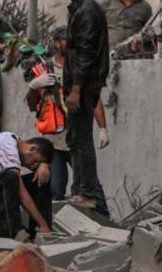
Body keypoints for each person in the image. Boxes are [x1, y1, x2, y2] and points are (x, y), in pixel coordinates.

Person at [26, 26, 111, 217]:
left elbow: (94, 100)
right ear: (57, 43)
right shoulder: (44, 70)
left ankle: (107, 222)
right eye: (66, 39)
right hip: (53, 144)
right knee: (55, 190)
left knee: (91, 188)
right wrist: (34, 86)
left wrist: (103, 128)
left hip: (78, 142)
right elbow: (32, 106)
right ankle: (60, 230)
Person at [57, 0, 110, 209]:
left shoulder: (87, 11)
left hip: (85, 86)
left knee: (82, 139)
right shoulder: (77, 9)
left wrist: (76, 88)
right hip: (77, 84)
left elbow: (87, 53)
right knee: (75, 138)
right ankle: (79, 189)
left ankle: (87, 192)